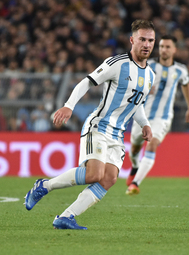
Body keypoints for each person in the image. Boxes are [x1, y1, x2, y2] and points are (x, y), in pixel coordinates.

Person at [24, 20, 156, 230]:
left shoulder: (150, 75)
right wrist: (69, 106)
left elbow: (137, 104)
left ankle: (66, 217)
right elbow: (87, 81)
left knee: (110, 178)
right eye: (142, 39)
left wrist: (145, 124)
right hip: (99, 126)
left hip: (118, 134)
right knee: (94, 174)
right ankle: (44, 185)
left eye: (150, 40)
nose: (146, 44)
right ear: (132, 40)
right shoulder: (117, 63)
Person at [126, 35, 189, 195]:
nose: (164, 50)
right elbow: (133, 82)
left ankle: (135, 183)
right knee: (135, 148)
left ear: (174, 50)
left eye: (168, 47)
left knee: (152, 143)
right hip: (141, 115)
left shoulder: (180, 70)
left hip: (162, 118)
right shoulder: (148, 65)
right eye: (162, 46)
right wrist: (145, 89)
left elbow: (186, 84)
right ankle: (135, 167)